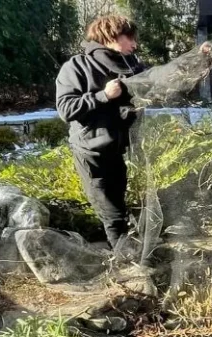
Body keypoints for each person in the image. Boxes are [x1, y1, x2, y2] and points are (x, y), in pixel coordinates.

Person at [56, 15, 146, 254]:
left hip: (116, 150)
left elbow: (160, 76)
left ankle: (126, 254)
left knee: (120, 207)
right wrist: (103, 96)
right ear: (111, 36)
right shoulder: (76, 67)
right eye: (130, 38)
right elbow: (66, 109)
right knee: (112, 214)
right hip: (90, 153)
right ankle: (125, 263)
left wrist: (199, 56)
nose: (134, 44)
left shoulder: (130, 65)